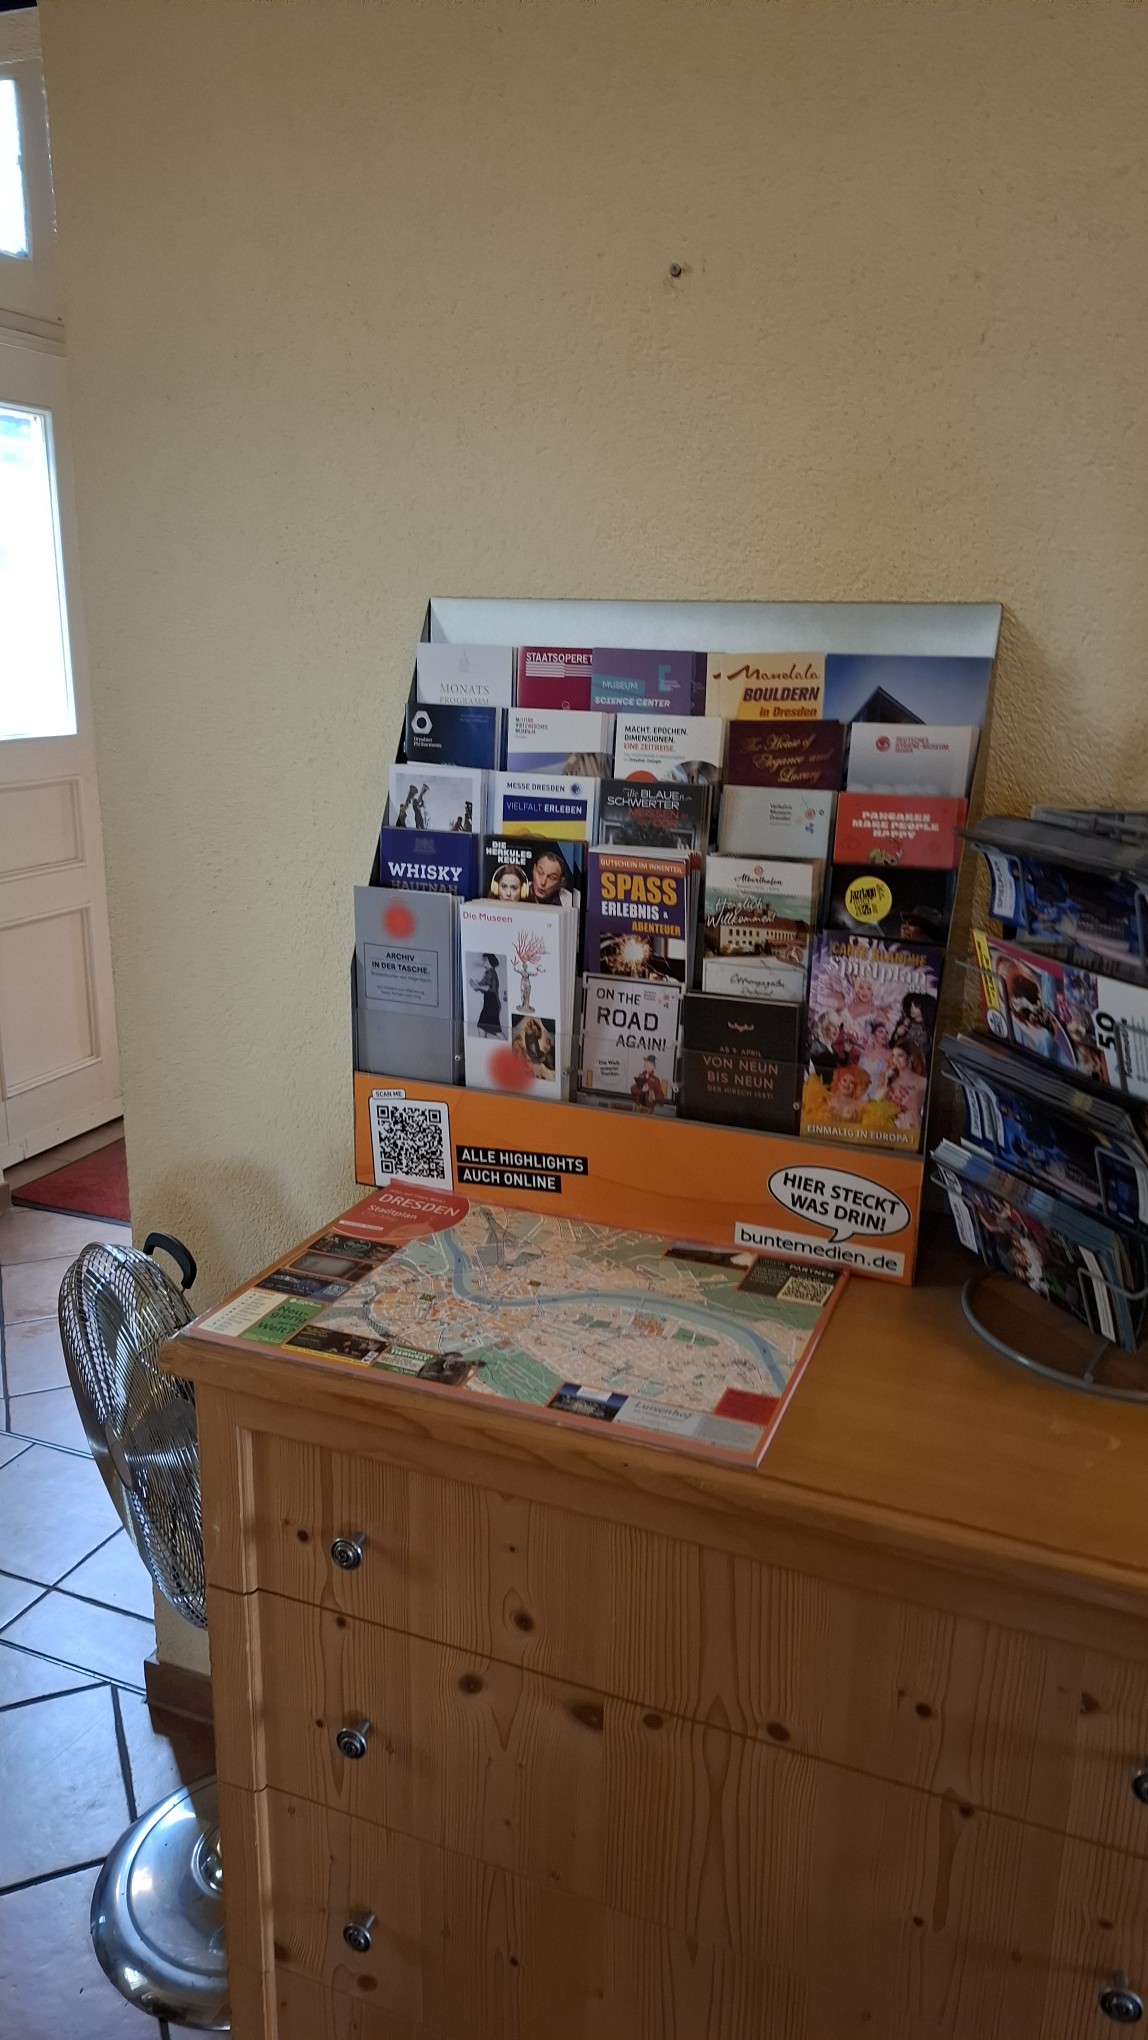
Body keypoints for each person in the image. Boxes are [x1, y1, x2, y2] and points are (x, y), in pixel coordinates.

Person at [470, 953, 504, 1037]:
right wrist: (476, 984)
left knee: (490, 1028)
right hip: (490, 1002)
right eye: (483, 960)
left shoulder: (490, 972)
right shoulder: (489, 972)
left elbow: (487, 988)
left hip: (491, 1003)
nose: (483, 962)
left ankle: (508, 1044)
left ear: (490, 961)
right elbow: (483, 987)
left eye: (485, 960)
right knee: (484, 1027)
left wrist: (476, 985)